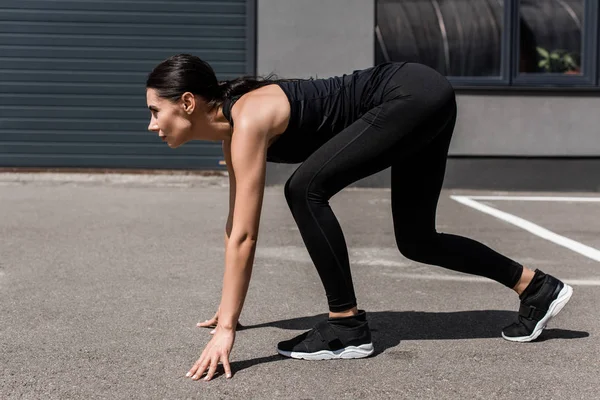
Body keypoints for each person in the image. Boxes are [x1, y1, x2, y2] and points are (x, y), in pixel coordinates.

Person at [145, 54, 573, 381]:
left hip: (408, 94)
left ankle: (347, 327)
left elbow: (245, 236)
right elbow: (235, 225)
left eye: (154, 111)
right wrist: (226, 314)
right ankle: (536, 287)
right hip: (423, 94)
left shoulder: (250, 116)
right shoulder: (235, 135)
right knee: (417, 239)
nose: (151, 125)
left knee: (303, 188)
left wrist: (226, 336)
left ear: (187, 102)